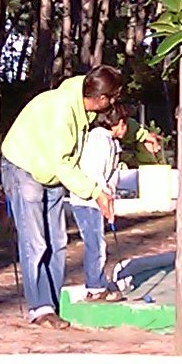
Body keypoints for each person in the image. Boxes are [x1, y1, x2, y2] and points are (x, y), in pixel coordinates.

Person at [0, 66, 125, 329]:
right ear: (100, 99)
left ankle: (53, 304)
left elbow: (118, 124)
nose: (114, 103)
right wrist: (96, 192)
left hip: (52, 170)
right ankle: (40, 308)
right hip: (24, 165)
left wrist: (142, 135)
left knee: (57, 241)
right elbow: (63, 164)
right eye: (112, 98)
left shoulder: (86, 102)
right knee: (35, 242)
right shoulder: (62, 112)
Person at [68, 106, 130, 303]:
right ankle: (96, 287)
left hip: (92, 198)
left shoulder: (107, 141)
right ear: (119, 123)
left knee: (96, 242)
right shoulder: (100, 141)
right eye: (125, 124)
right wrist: (105, 201)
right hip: (88, 199)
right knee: (95, 244)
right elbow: (95, 173)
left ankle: (97, 282)